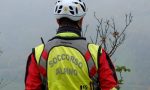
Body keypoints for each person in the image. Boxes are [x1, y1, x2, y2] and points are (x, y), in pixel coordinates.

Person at [25, 0, 118, 90]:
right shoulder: (97, 53)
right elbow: (110, 87)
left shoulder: (38, 54)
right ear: (81, 20)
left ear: (57, 20)